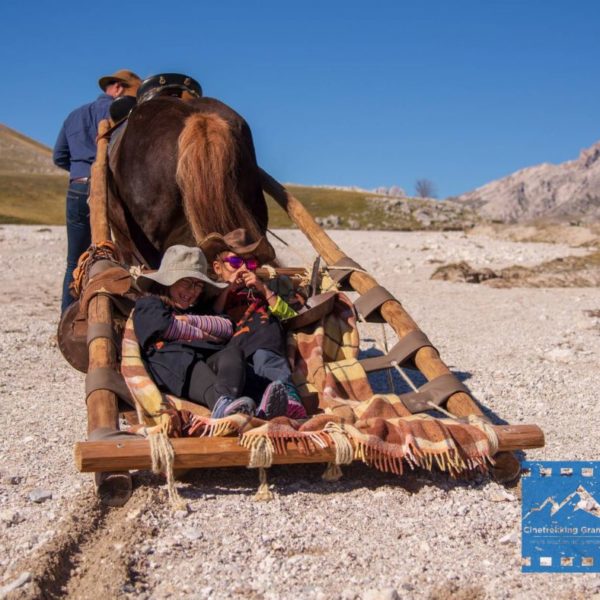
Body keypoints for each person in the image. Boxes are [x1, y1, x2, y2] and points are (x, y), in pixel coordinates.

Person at [53, 69, 142, 313]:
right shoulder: (123, 113)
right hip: (110, 189)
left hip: (78, 187)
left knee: (75, 260)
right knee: (123, 256)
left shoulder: (74, 115)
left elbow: (59, 155)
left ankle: (68, 318)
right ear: (118, 88)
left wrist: (79, 169)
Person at [133, 245, 256, 419]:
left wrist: (191, 320)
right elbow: (165, 327)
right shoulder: (150, 304)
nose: (193, 291)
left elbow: (227, 327)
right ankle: (222, 403)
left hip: (205, 360)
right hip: (175, 364)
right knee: (187, 358)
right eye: (186, 282)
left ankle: (234, 402)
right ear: (168, 281)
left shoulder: (196, 309)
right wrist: (205, 334)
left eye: (198, 285)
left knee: (233, 353)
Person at [201, 229, 308, 420]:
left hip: (266, 340)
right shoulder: (213, 292)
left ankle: (287, 397)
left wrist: (264, 290)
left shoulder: (265, 289)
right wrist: (228, 290)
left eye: (249, 263)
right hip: (236, 347)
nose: (243, 269)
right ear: (218, 268)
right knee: (247, 370)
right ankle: (267, 401)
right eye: (235, 262)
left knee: (266, 359)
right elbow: (211, 319)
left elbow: (290, 317)